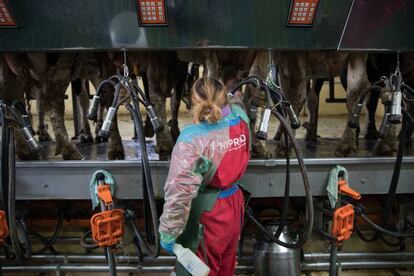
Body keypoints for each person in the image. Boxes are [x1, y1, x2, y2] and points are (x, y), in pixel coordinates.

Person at [159, 77, 251, 276]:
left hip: (209, 213)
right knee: (226, 267)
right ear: (223, 99)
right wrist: (232, 92)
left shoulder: (192, 139)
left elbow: (180, 191)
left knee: (202, 270)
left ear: (194, 103)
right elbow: (236, 104)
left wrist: (169, 232)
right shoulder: (241, 120)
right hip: (234, 206)